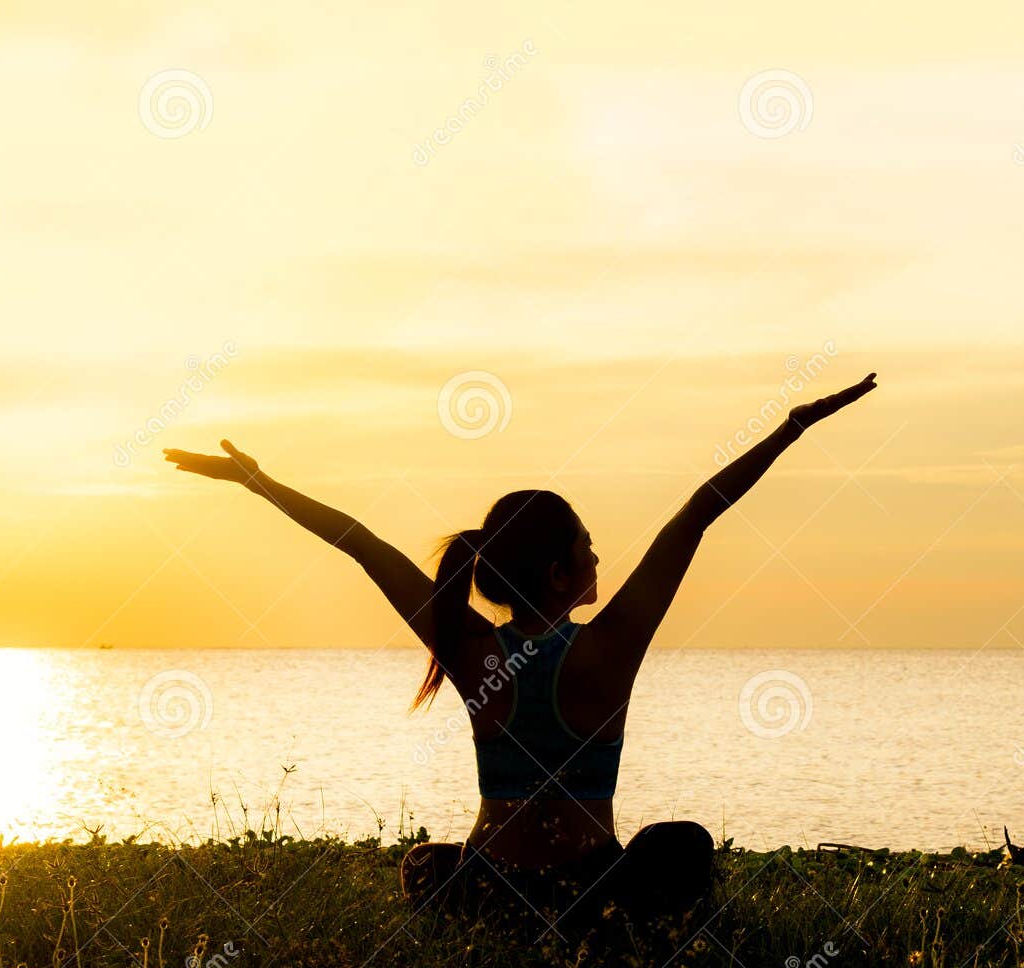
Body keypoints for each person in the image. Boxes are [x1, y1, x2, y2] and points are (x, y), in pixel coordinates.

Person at [165, 372, 878, 935]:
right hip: (592, 895)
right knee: (682, 843)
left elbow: (359, 543)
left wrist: (257, 483)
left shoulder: (469, 646)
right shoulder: (610, 647)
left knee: (427, 863)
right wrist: (793, 426)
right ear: (560, 576)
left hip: (490, 889)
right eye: (585, 545)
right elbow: (699, 511)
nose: (599, 553)